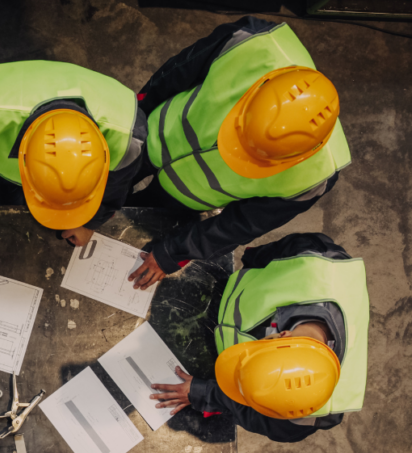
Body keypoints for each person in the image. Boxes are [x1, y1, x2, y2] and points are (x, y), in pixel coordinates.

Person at [126, 16, 351, 290]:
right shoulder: (251, 43)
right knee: (116, 175)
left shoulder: (314, 178)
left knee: (137, 219)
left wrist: (171, 254)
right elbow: (174, 74)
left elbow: (239, 225)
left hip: (187, 195)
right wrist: (133, 123)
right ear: (254, 93)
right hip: (155, 131)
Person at [150, 233, 369, 443]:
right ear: (282, 334)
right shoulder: (316, 260)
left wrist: (206, 393)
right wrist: (252, 261)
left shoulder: (307, 415)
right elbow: (267, 254)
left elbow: (258, 414)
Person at [0, 60, 147, 246]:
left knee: (19, 206)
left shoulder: (129, 139)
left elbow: (115, 188)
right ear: (21, 156)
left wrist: (89, 222)